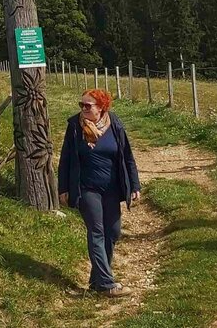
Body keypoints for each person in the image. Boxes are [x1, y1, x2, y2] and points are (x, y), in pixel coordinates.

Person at [58, 88, 141, 297]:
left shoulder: (115, 125)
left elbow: (127, 156)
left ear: (102, 107)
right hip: (87, 188)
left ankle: (97, 281)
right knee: (96, 231)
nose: (83, 109)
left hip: (112, 188)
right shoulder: (75, 127)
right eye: (81, 105)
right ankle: (106, 284)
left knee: (112, 232)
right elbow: (65, 159)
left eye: (88, 106)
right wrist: (63, 188)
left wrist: (135, 184)